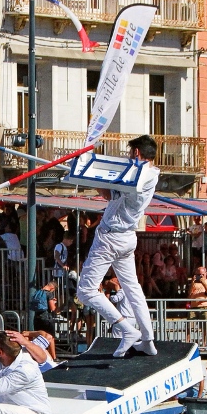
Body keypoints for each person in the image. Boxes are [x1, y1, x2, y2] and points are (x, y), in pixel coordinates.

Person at [75, 135, 161, 357]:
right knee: (133, 288)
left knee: (85, 291)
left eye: (129, 153)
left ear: (136, 154)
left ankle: (126, 329)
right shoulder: (153, 174)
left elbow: (107, 194)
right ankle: (148, 339)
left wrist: (89, 174)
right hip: (127, 237)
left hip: (110, 237)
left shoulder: (136, 175)